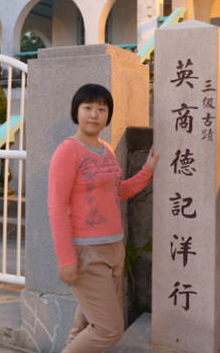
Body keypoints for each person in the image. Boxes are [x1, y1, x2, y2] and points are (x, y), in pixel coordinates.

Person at [48, 83, 159, 353]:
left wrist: (147, 170)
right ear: (77, 112)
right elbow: (57, 207)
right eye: (88, 107)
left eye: (101, 108)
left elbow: (117, 192)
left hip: (113, 250)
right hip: (86, 253)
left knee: (87, 321)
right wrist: (66, 259)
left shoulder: (106, 149)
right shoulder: (68, 150)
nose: (94, 114)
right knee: (109, 328)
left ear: (108, 115)